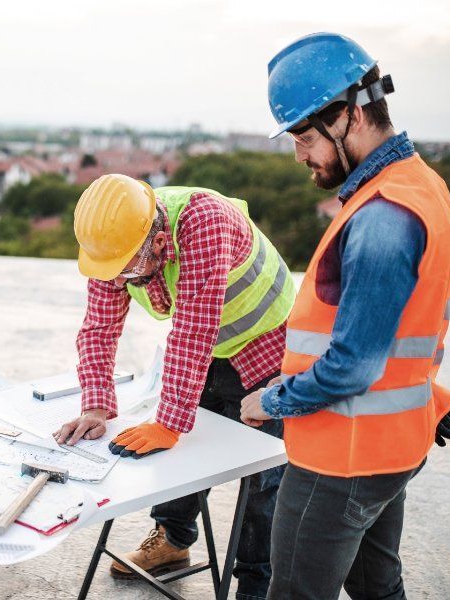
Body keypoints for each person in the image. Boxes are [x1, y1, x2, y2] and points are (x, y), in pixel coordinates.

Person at [240, 32, 450, 599]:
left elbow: (354, 365)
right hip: (391, 446)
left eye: (305, 138)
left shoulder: (383, 215)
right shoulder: (421, 186)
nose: (300, 156)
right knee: (378, 590)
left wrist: (273, 400)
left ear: (352, 115)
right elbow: (411, 332)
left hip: (342, 460)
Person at [54, 173, 296, 598]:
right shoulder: (114, 245)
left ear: (158, 239)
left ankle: (258, 583)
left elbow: (194, 330)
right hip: (207, 349)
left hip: (266, 344)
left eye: (128, 268)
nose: (120, 280)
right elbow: (98, 328)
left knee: (262, 477)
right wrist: (96, 405)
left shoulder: (204, 221)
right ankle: (172, 541)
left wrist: (170, 421)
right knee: (180, 460)